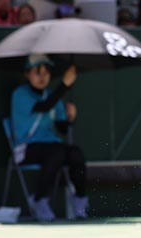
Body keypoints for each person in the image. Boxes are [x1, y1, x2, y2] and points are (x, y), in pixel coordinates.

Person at [10, 54, 88, 222]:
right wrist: (65, 85)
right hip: (26, 148)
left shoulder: (52, 96)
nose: (42, 77)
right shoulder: (19, 95)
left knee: (76, 153)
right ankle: (39, 199)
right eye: (37, 72)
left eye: (46, 72)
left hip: (52, 146)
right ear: (27, 74)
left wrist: (71, 118)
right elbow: (44, 106)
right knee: (56, 153)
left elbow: (62, 129)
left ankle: (80, 200)